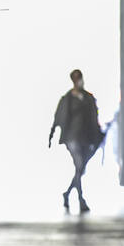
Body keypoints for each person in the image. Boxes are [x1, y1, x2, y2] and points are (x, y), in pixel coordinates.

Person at [49, 69, 102, 213]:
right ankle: (80, 199)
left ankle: (67, 194)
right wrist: (52, 134)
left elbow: (94, 117)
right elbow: (58, 117)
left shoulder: (88, 98)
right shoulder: (67, 99)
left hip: (85, 137)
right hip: (72, 137)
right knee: (79, 165)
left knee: (80, 168)